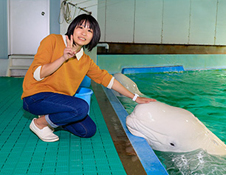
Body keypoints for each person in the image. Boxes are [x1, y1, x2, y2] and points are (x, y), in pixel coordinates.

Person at [21, 14, 156, 142]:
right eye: (80, 27)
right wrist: (63, 58)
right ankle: (39, 123)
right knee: (81, 107)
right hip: (35, 97)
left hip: (59, 102)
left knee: (88, 130)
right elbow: (38, 74)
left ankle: (52, 119)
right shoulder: (53, 40)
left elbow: (107, 79)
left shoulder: (85, 61)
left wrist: (135, 97)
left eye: (89, 30)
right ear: (72, 28)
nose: (84, 33)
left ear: (93, 37)